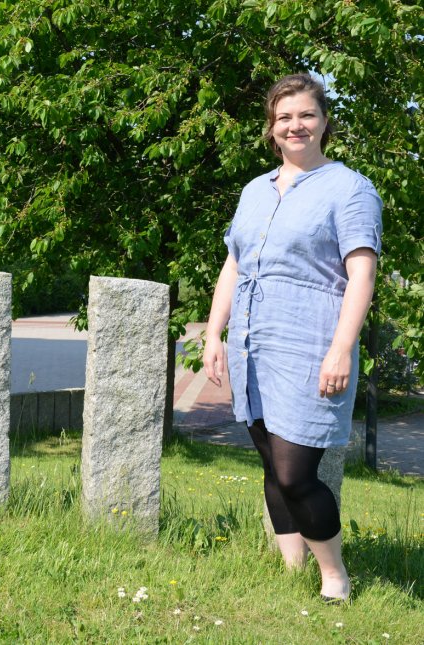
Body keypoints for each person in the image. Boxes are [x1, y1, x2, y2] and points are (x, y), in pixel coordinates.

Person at [202, 73, 382, 603]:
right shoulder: (255, 190)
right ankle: (289, 572)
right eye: (284, 118)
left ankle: (335, 578)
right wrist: (214, 335)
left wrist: (340, 348)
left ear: (324, 121)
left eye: (305, 115)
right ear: (271, 128)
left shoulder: (350, 188)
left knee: (296, 472)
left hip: (310, 347)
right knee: (270, 465)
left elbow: (361, 275)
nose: (295, 125)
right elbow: (233, 265)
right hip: (253, 346)